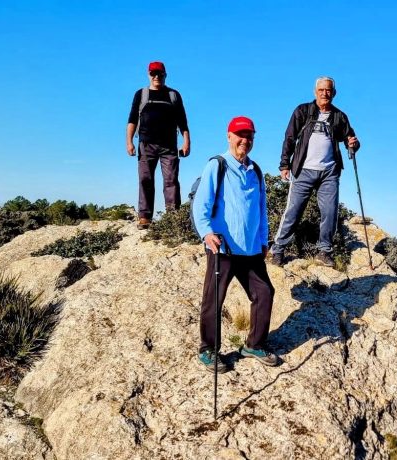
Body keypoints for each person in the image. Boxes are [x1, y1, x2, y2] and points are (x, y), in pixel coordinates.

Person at [193, 116, 279, 373]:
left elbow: (261, 209)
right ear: (229, 136)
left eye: (249, 136)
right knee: (214, 299)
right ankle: (208, 349)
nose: (245, 140)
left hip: (251, 249)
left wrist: (263, 240)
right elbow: (201, 204)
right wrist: (207, 233)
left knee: (264, 293)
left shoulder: (256, 171)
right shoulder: (217, 165)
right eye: (240, 135)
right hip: (223, 248)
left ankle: (254, 344)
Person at [269, 76, 361, 267]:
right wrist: (284, 165)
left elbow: (350, 139)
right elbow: (289, 137)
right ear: (315, 92)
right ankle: (278, 249)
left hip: (329, 172)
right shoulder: (303, 111)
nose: (324, 93)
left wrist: (353, 144)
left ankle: (324, 251)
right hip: (303, 170)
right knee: (293, 211)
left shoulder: (339, 116)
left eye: (328, 90)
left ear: (334, 93)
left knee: (330, 212)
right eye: (321, 90)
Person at [126, 61, 191, 230]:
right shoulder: (141, 94)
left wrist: (186, 142)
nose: (156, 76)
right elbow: (132, 119)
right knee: (145, 180)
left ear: (165, 75)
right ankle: (145, 217)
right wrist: (129, 142)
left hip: (169, 146)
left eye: (160, 74)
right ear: (148, 74)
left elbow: (182, 121)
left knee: (171, 180)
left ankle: (173, 218)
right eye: (153, 73)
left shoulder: (173, 95)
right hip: (145, 144)